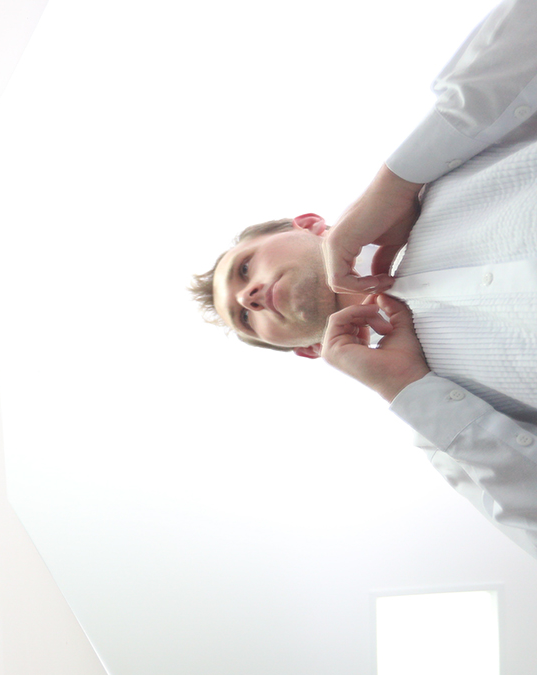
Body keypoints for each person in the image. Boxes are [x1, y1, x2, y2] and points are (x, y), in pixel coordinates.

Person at [190, 0, 537, 558]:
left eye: (244, 268)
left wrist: (397, 180)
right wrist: (410, 390)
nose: (249, 294)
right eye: (243, 316)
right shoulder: (440, 421)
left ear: (308, 224)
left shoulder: (440, 168)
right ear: (308, 351)